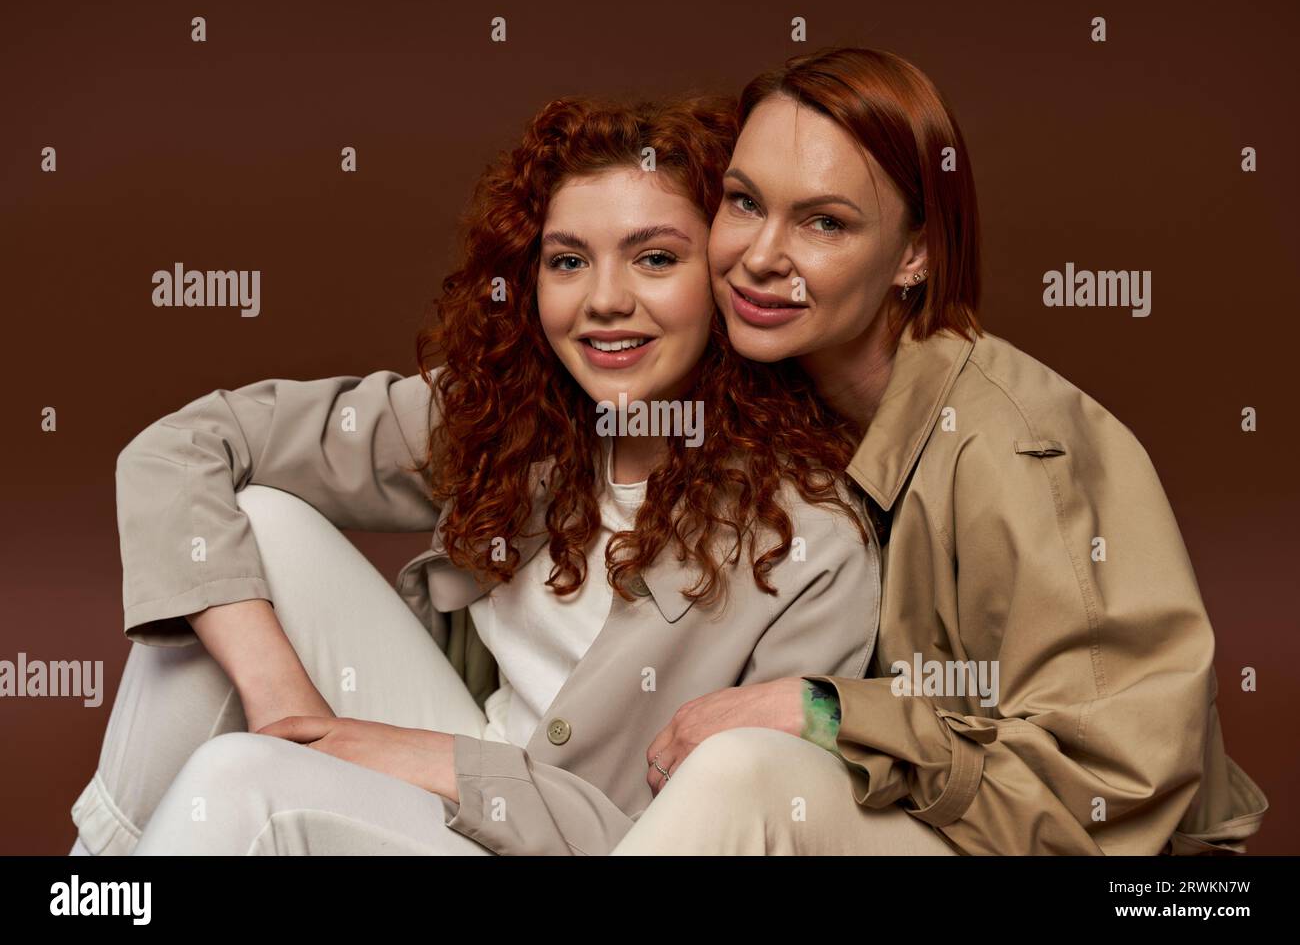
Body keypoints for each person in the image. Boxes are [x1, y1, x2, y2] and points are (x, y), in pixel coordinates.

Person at [70, 94, 887, 856]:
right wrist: (282, 700)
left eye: (654, 258)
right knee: (258, 525)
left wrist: (441, 761)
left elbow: (713, 829)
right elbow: (179, 448)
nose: (604, 300)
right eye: (568, 261)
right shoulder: (509, 421)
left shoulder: (813, 542)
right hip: (441, 789)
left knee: (238, 777)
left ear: (724, 275)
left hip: (567, 840)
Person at [611, 47, 1269, 856]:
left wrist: (826, 712)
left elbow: (1109, 793)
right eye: (745, 202)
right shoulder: (763, 385)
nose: (759, 256)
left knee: (748, 774)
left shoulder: (1021, 449)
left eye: (825, 222)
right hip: (923, 828)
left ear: (915, 256)